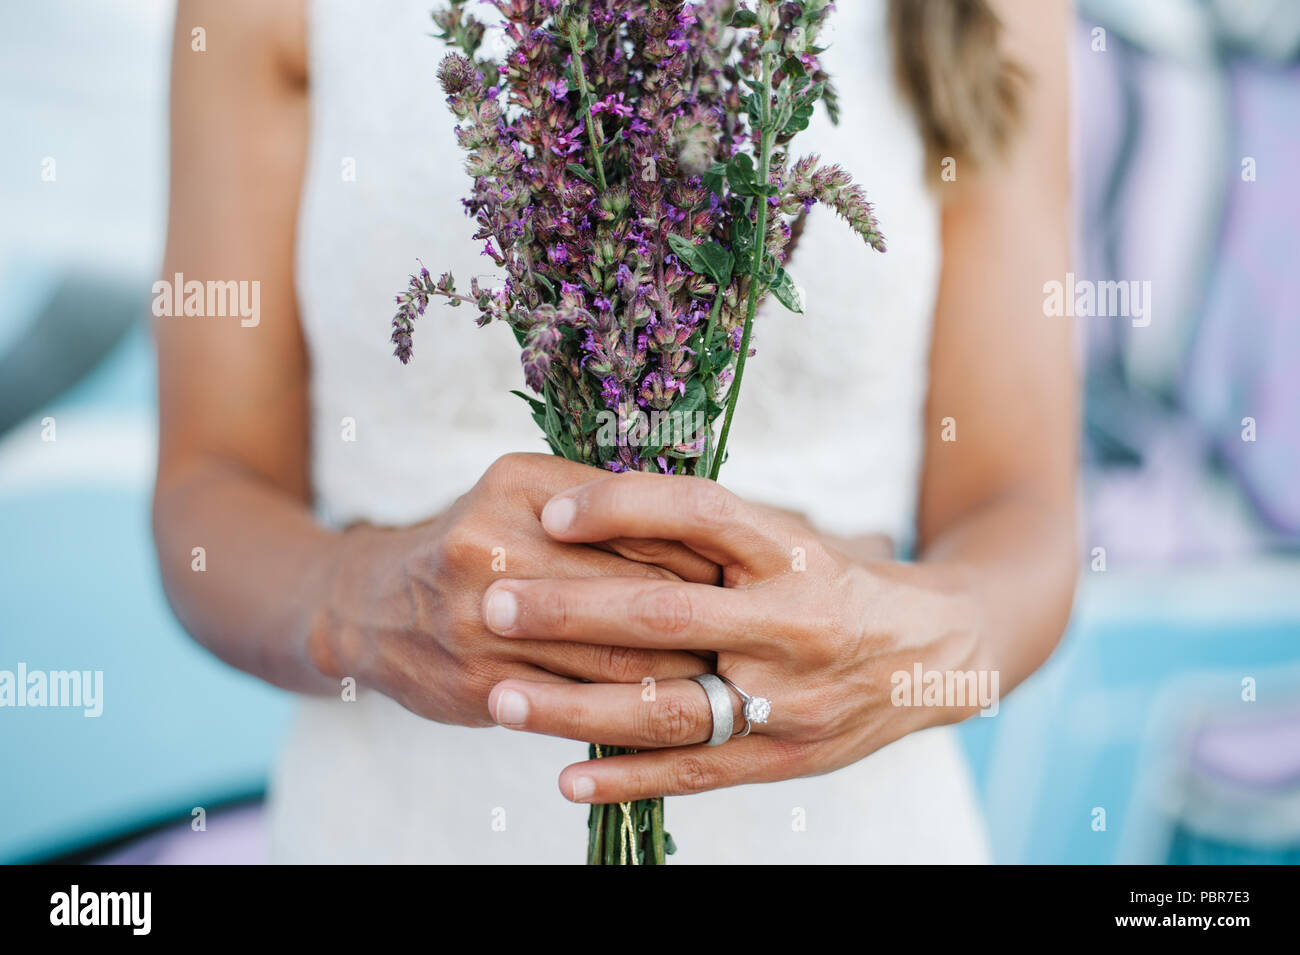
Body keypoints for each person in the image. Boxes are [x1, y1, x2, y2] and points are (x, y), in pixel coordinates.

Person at [153, 0, 1075, 863]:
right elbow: (208, 490)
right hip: (397, 821)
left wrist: (889, 649)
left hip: (845, 823)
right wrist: (368, 603)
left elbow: (1024, 518)